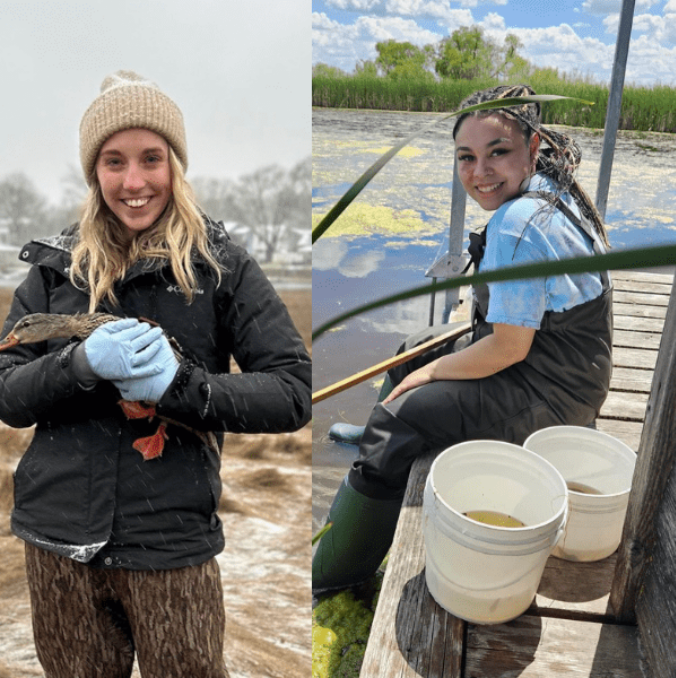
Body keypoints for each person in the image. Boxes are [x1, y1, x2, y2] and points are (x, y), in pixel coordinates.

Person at [0, 71, 311, 677]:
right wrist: (77, 365)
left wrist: (178, 387)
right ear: (94, 172)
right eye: (113, 161)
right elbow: (7, 392)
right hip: (57, 542)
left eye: (151, 159)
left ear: (177, 165)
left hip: (171, 549)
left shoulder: (221, 269)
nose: (133, 181)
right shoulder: (53, 271)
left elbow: (292, 392)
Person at [313, 84, 614, 592]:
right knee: (416, 344)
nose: (480, 173)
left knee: (398, 417)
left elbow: (508, 348)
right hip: (557, 360)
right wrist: (427, 361)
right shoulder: (549, 190)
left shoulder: (518, 223)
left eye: (498, 152)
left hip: (554, 392)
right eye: (466, 157)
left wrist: (431, 375)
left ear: (533, 147)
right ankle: (375, 452)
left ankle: (336, 574)